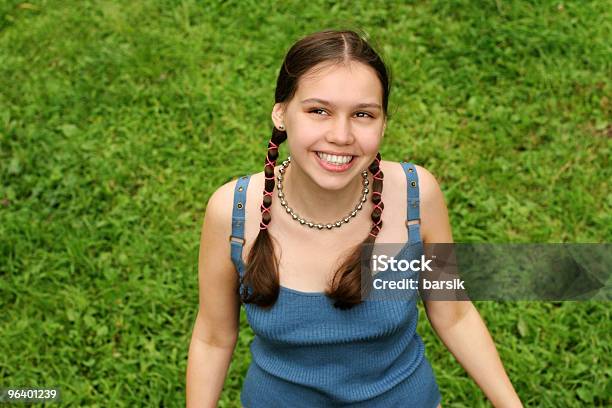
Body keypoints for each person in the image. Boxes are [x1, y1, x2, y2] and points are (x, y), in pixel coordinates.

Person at [186, 29, 522, 408]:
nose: (341, 135)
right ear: (281, 113)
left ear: (383, 123)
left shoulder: (417, 197)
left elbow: (454, 314)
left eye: (362, 114)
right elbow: (213, 337)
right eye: (319, 111)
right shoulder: (233, 211)